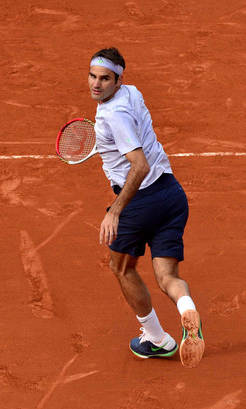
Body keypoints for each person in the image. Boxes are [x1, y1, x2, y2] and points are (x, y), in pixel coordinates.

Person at [88, 47, 204, 368]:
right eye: (93, 76)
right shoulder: (132, 93)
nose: (97, 84)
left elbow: (137, 165)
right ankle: (186, 309)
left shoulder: (114, 115)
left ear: (117, 80)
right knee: (167, 277)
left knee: (122, 268)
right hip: (171, 194)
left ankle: (156, 339)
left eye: (105, 79)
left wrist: (115, 210)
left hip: (141, 201)